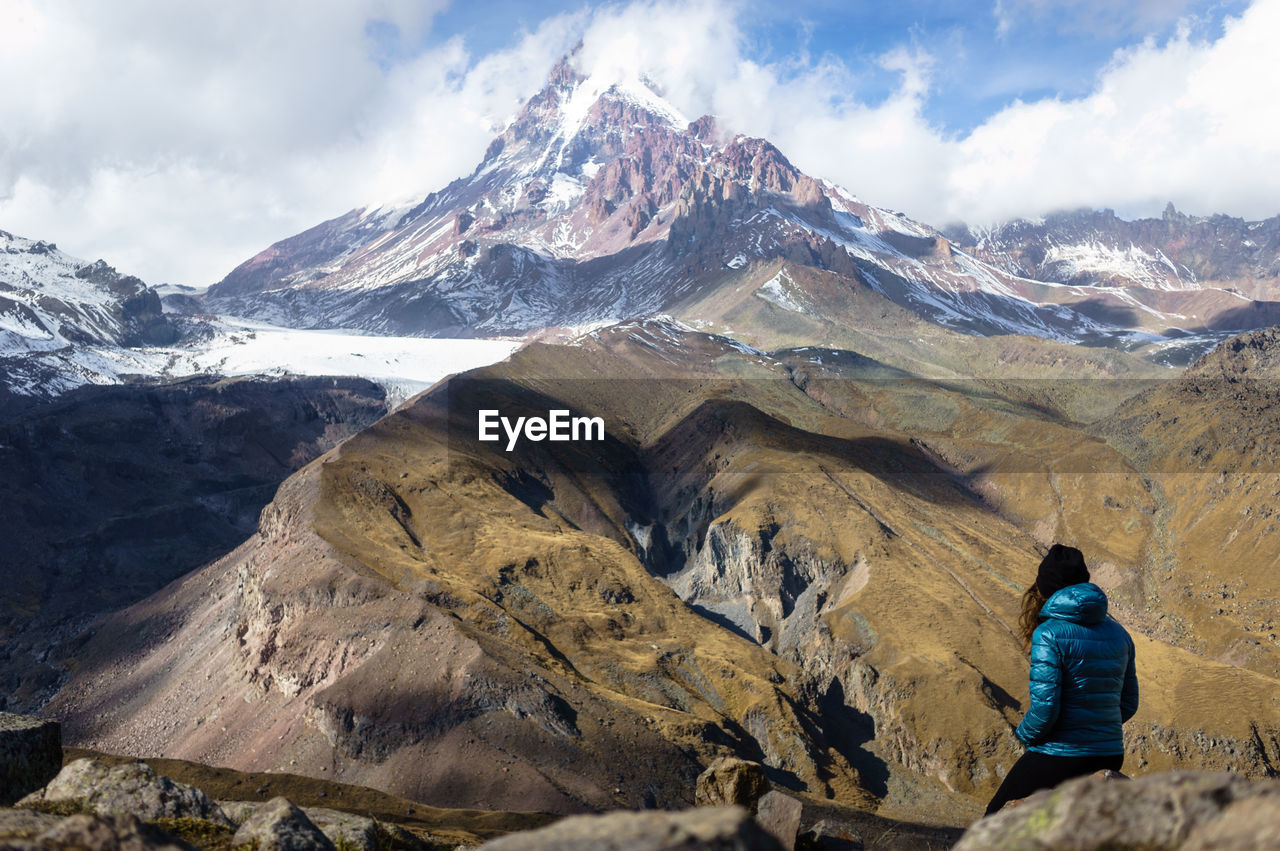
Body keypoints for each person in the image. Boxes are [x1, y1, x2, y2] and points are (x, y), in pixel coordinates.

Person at [984, 544, 1139, 816]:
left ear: (1045, 588)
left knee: (994, 817)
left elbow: (1045, 709)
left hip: (1062, 755)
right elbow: (1128, 703)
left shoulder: (1049, 634)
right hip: (1110, 754)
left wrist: (1024, 735)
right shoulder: (1120, 634)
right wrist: (1097, 727)